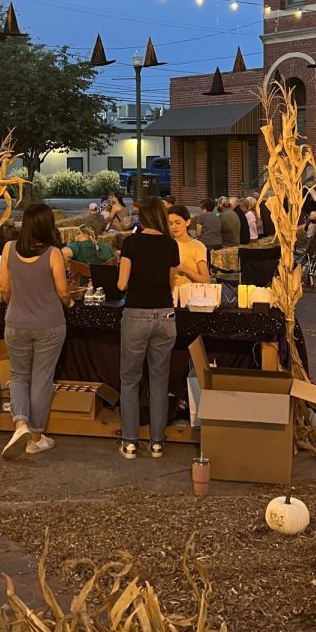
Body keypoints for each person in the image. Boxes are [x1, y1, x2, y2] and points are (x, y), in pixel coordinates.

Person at [0, 203, 74, 461]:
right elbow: (63, 292)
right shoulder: (53, 253)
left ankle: (20, 424)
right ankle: (35, 438)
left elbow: (4, 290)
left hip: (16, 323)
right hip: (49, 325)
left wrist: (17, 305)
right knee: (42, 379)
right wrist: (70, 303)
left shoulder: (8, 249)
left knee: (19, 376)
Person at [117, 196, 180, 460]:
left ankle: (130, 443)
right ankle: (157, 443)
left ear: (142, 219)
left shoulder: (131, 243)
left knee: (130, 380)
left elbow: (121, 284)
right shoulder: (170, 244)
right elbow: (172, 281)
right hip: (165, 315)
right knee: (158, 380)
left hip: (136, 315)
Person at [168, 205, 210, 284]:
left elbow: (206, 280)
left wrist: (185, 269)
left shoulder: (197, 246)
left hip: (190, 293)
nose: (174, 226)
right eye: (170, 223)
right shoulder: (167, 244)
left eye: (178, 223)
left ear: (187, 222)